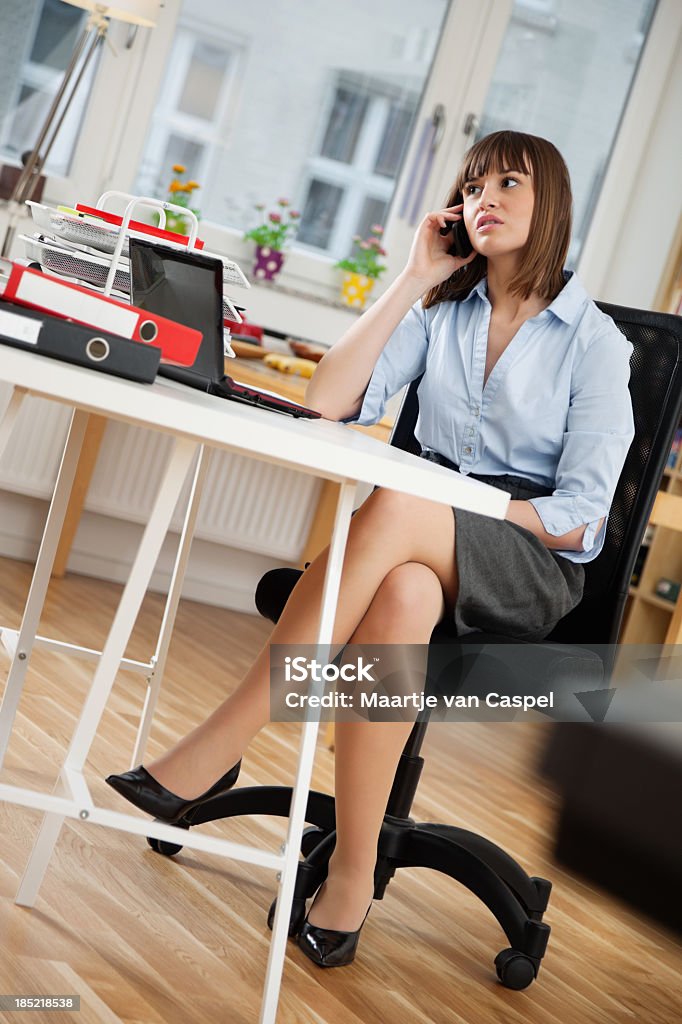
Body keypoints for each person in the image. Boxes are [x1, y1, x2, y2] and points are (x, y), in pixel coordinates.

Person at [106, 130, 635, 968]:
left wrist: (465, 502)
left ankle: (221, 739)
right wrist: (415, 276)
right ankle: (352, 874)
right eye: (471, 185)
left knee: (401, 498)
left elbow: (581, 517)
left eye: (507, 183)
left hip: (533, 565)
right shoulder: (447, 311)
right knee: (404, 601)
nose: (481, 197)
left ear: (554, 206)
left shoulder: (595, 343)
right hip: (424, 548)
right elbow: (326, 400)